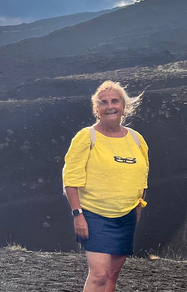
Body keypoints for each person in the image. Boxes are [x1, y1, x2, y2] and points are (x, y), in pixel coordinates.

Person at [62, 81, 149, 292]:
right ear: (97, 109)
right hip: (94, 216)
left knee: (112, 275)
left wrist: (137, 207)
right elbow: (70, 180)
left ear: (124, 106)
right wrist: (78, 214)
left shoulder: (137, 139)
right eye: (104, 102)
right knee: (99, 275)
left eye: (115, 101)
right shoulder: (86, 137)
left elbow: (142, 177)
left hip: (125, 216)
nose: (110, 106)